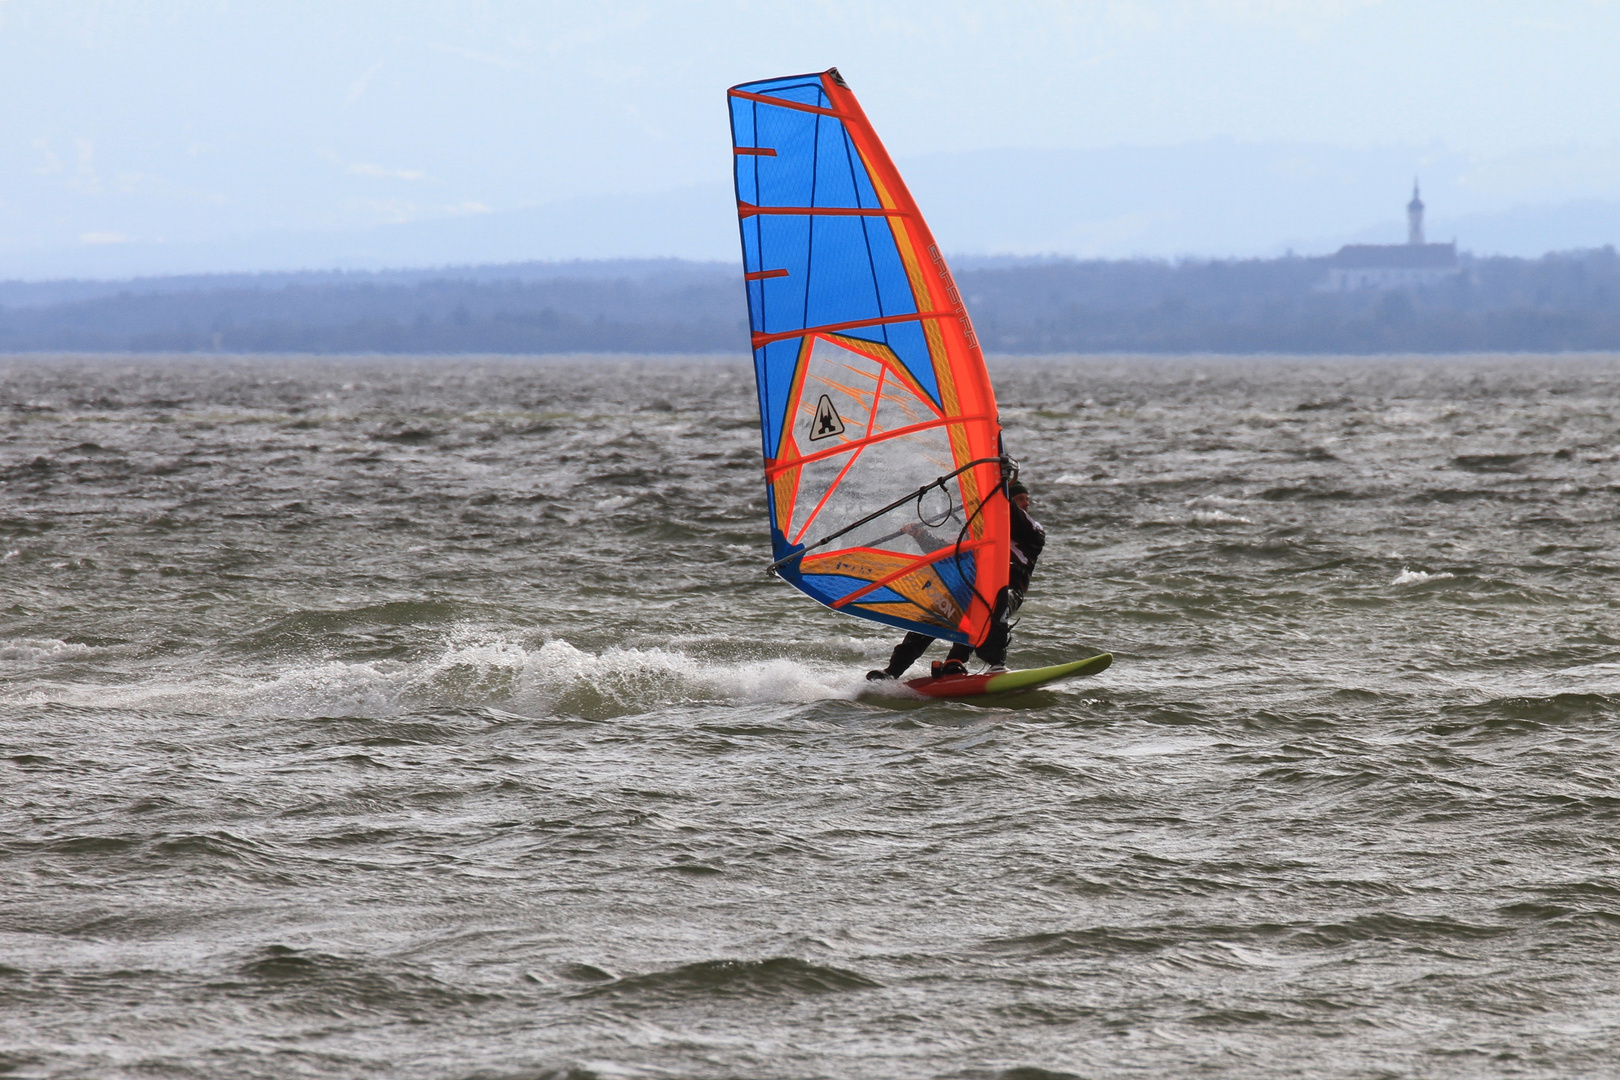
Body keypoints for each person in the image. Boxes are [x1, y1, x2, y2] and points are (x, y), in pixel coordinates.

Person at [867, 478, 1045, 680]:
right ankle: (892, 672)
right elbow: (942, 550)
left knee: (990, 601)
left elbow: (1012, 513)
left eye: (1026, 499)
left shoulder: (1033, 531)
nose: (1026, 503)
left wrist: (998, 489)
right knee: (933, 616)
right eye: (1020, 498)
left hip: (1009, 589)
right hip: (969, 588)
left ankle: (985, 663)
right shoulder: (976, 532)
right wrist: (920, 534)